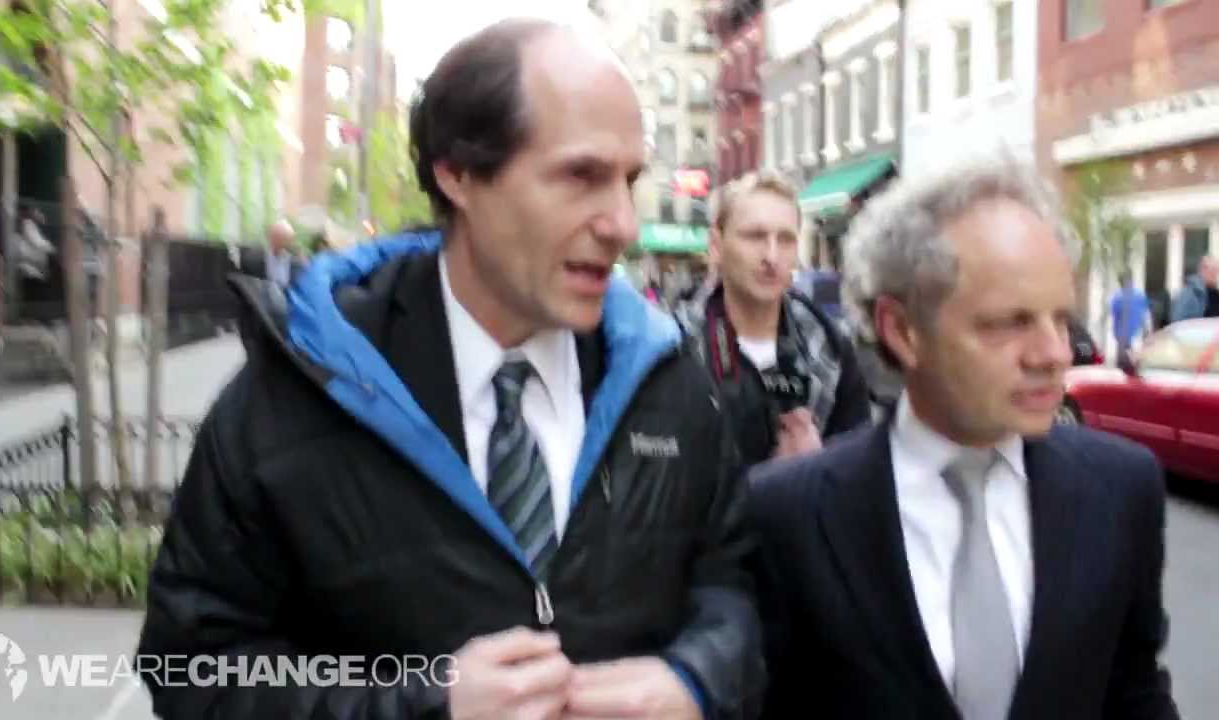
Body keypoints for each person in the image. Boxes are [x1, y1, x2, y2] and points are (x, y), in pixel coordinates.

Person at [137, 18, 763, 720]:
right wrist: (424, 705)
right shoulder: (293, 399)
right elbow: (192, 668)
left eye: (629, 180)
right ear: (458, 173)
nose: (622, 223)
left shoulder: (672, 385)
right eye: (581, 176)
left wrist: (695, 680)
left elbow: (734, 594)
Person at [746, 159, 1179, 719]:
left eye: (1060, 319)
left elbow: (1135, 692)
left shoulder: (1122, 488)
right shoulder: (786, 514)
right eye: (1009, 322)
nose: (1054, 354)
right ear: (903, 330)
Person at [677, 171, 871, 468]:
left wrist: (820, 469)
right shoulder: (675, 347)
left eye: (786, 239)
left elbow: (860, 474)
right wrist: (783, 479)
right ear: (716, 246)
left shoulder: (830, 347)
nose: (772, 256)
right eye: (755, 236)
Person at [241, 219, 303, 289]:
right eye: (278, 237)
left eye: (285, 239)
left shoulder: (295, 262)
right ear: (270, 237)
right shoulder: (253, 258)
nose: (281, 242)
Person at [1110, 273, 1152, 362]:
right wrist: (1147, 330)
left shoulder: (1117, 297)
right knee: (1137, 362)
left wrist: (1116, 334)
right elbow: (1146, 315)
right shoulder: (1140, 295)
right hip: (1136, 335)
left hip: (1124, 337)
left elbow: (1115, 318)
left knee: (1123, 362)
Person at [1168, 255, 1218, 324]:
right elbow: (1176, 321)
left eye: (1216, 271)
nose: (1215, 275)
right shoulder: (1187, 293)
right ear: (1202, 270)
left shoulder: (1214, 294)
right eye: (1213, 271)